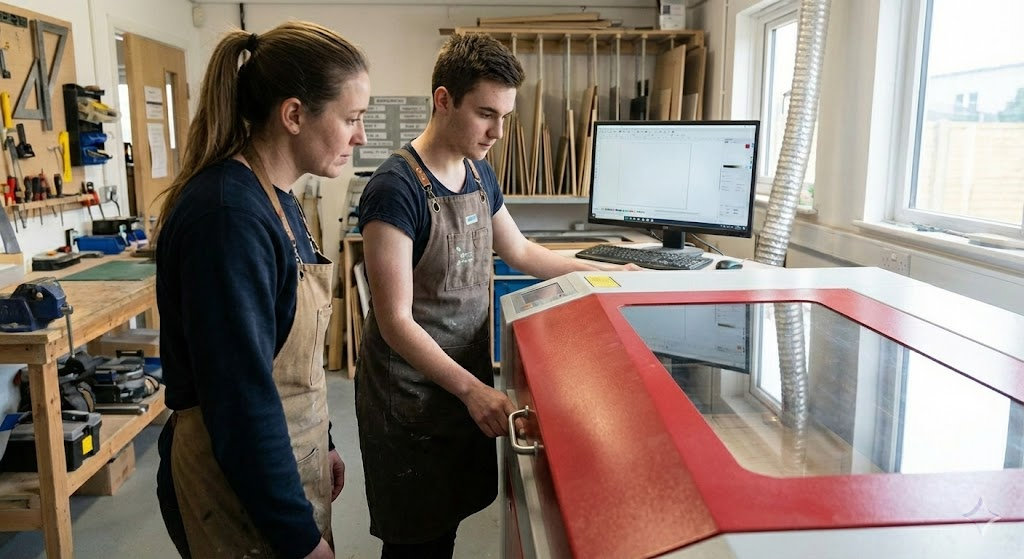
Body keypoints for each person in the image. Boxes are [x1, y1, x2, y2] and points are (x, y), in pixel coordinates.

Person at [354, 33, 628, 558]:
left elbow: (522, 252)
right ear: (443, 100)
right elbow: (395, 321)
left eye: (505, 116)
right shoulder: (396, 188)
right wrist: (472, 391)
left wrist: (606, 267)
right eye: (485, 114)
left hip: (461, 383)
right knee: (416, 542)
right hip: (411, 398)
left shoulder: (479, 173)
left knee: (446, 528)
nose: (498, 132)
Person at [154, 22, 369, 559]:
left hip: (287, 464)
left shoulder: (280, 202)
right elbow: (239, 400)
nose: (360, 137)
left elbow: (289, 361)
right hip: (237, 490)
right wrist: (298, 539)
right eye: (351, 118)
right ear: (294, 115)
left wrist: (326, 441)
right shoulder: (228, 218)